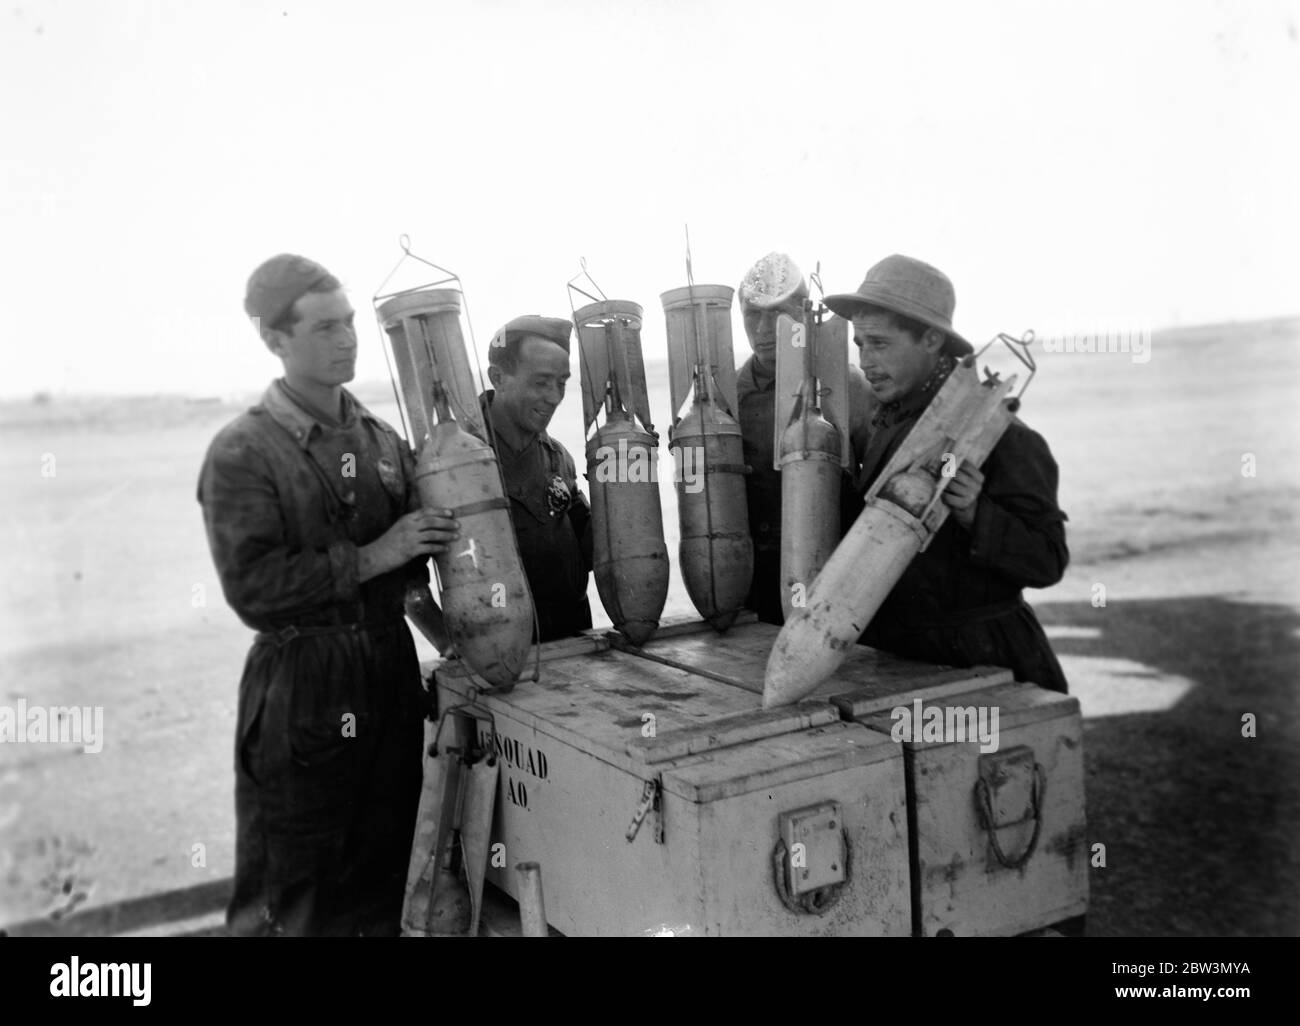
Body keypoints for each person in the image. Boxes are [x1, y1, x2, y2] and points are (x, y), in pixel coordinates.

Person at [197, 253, 457, 936]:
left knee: (387, 873)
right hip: (302, 687)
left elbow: (409, 578)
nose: (345, 340)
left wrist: (456, 643)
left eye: (349, 324)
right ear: (274, 340)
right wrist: (376, 554)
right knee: (292, 895)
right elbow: (254, 587)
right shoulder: (244, 452)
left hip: (387, 673)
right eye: (323, 329)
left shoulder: (380, 440)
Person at [823, 254, 1070, 693]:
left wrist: (978, 514)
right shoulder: (889, 421)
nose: (866, 362)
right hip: (901, 659)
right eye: (860, 344)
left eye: (880, 343)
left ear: (932, 340)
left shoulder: (999, 435)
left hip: (983, 663)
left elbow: (1048, 561)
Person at [735, 252, 873, 624]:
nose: (763, 329)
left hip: (833, 565)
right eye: (753, 314)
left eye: (777, 312)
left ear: (801, 313)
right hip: (755, 577)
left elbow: (876, 478)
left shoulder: (847, 385)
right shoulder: (728, 397)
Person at [480, 315, 593, 642]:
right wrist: (447, 644)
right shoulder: (458, 461)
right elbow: (405, 580)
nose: (555, 397)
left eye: (562, 383)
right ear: (498, 377)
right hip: (501, 643)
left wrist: (622, 491)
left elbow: (588, 547)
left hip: (573, 634)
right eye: (541, 382)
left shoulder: (558, 457)